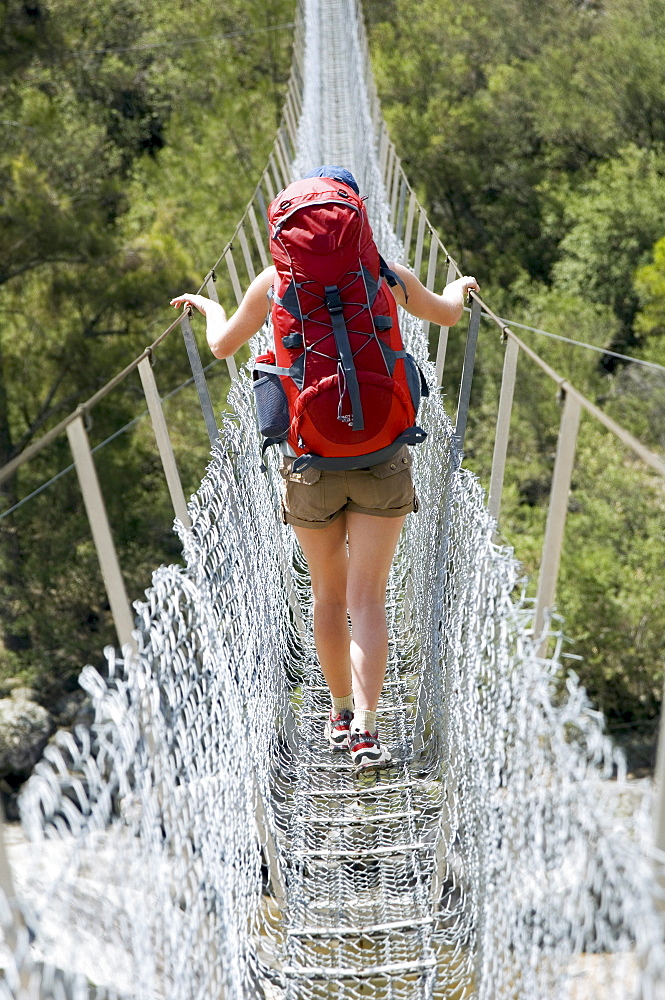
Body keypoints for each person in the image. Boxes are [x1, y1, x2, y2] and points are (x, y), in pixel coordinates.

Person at [171, 168, 479, 772]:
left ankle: (337, 712)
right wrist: (458, 286)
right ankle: (366, 728)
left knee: (328, 595)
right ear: (356, 220)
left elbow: (223, 348)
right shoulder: (384, 273)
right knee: (369, 598)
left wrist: (210, 304)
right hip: (383, 457)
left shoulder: (273, 281)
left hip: (310, 463)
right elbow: (446, 316)